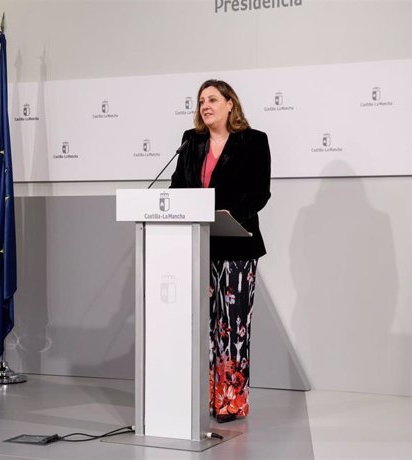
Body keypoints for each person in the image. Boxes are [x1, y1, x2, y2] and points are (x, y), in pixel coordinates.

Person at [170, 79, 271, 422]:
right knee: (206, 327)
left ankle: (231, 402)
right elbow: (176, 187)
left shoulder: (254, 141)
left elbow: (260, 192)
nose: (205, 106)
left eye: (212, 99)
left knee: (233, 326)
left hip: (237, 245)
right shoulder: (191, 142)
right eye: (200, 101)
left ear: (231, 104)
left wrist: (225, 214)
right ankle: (205, 399)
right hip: (198, 245)